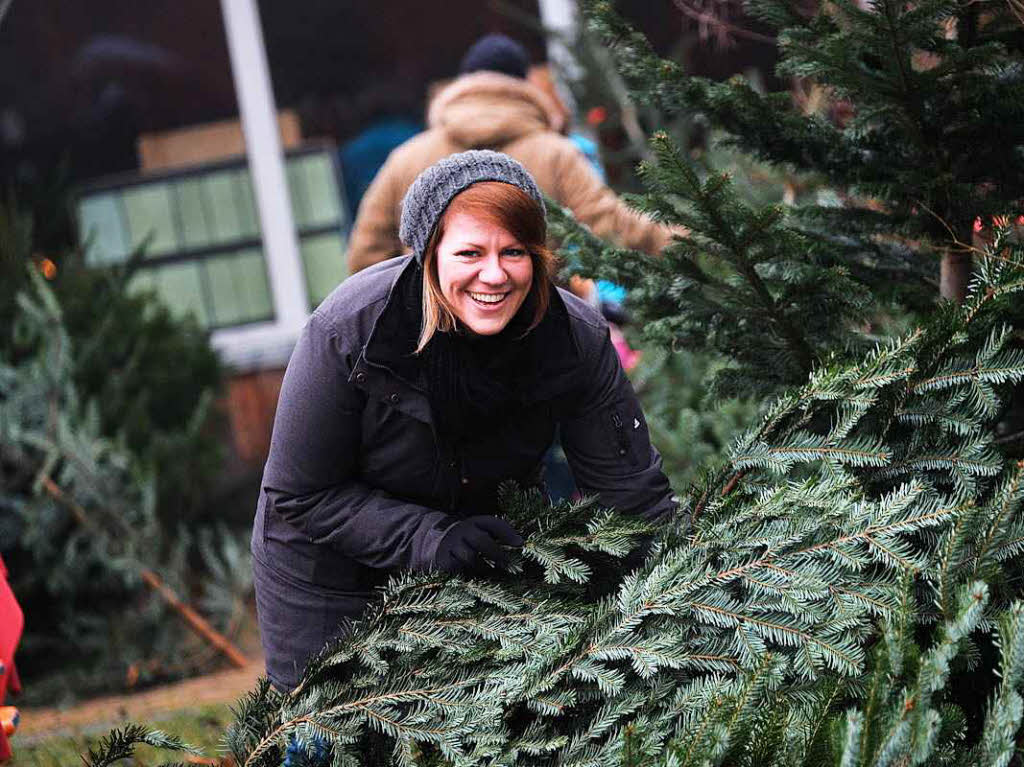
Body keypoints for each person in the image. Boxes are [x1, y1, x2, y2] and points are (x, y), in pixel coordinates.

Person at [252, 151, 676, 692]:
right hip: (327, 574)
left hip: (481, 556)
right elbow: (301, 495)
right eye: (470, 252)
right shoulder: (347, 333)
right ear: (429, 255)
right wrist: (432, 538)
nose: (494, 274)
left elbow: (630, 494)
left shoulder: (574, 338)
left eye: (514, 252)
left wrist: (679, 590)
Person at [345, 34, 675, 274]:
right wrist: (690, 238)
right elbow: (610, 224)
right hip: (534, 329)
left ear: (465, 83)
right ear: (523, 85)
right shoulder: (555, 153)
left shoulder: (408, 158)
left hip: (433, 335)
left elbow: (366, 252)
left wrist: (410, 309)